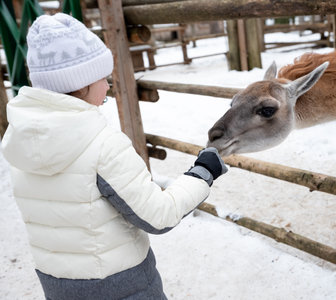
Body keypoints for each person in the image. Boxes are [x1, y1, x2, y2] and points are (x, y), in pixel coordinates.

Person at [1, 13, 227, 299]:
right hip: (121, 285)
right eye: (103, 78)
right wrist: (202, 173)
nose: (109, 85)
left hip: (56, 283)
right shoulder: (101, 144)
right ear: (80, 83)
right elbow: (158, 215)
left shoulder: (19, 137)